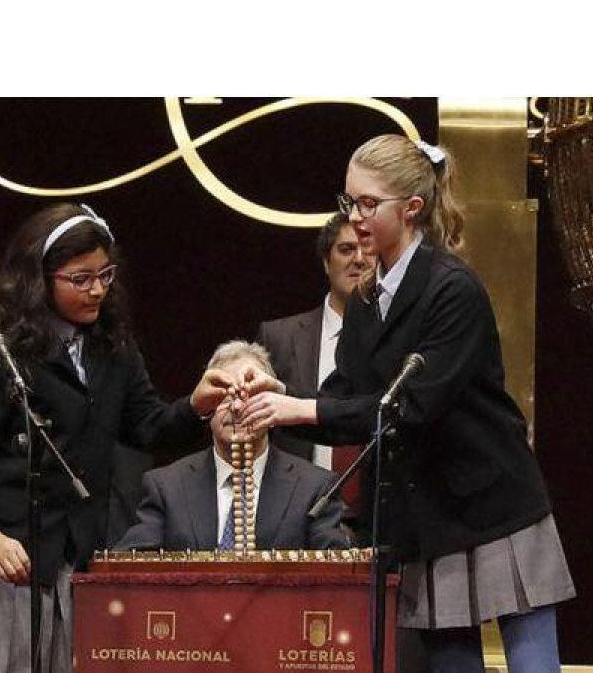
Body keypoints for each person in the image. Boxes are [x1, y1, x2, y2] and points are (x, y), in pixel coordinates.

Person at [237, 135, 575, 673]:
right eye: (349, 202)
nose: (356, 217)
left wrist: (303, 410)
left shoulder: (452, 289)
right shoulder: (367, 297)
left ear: (412, 208)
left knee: (531, 661)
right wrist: (285, 399)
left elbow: (411, 407)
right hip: (427, 516)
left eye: (369, 204)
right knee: (451, 662)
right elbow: (344, 398)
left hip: (495, 506)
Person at [0, 203, 231, 673]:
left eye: (106, 275)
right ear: (40, 279)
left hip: (68, 560)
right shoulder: (1, 347)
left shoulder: (112, 346)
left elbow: (147, 427)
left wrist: (196, 405)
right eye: (80, 278)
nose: (98, 289)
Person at [115, 340, 350, 552]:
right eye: (225, 396)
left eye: (249, 395)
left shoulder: (315, 488)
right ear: (206, 406)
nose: (237, 407)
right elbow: (130, 568)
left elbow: (337, 573)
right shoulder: (166, 487)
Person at [256, 212, 370, 465]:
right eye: (346, 249)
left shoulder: (396, 335)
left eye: (367, 250)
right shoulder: (278, 338)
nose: (359, 259)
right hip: (298, 498)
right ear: (327, 263)